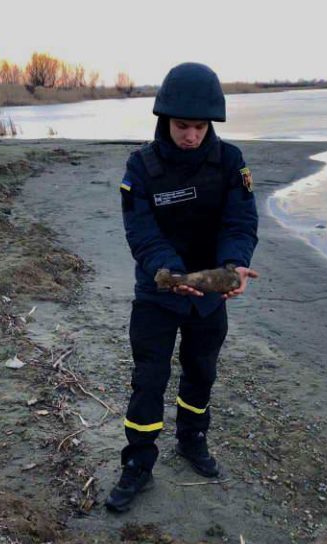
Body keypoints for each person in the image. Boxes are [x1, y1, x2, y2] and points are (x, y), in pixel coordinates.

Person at [105, 62, 259, 513]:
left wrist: (235, 265)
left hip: (209, 296)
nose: (190, 135)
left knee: (201, 372)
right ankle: (138, 462)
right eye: (181, 126)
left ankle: (192, 441)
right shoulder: (141, 167)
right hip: (158, 293)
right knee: (148, 380)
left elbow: (241, 221)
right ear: (164, 121)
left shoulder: (230, 162)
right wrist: (172, 275)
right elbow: (141, 234)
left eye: (198, 127)